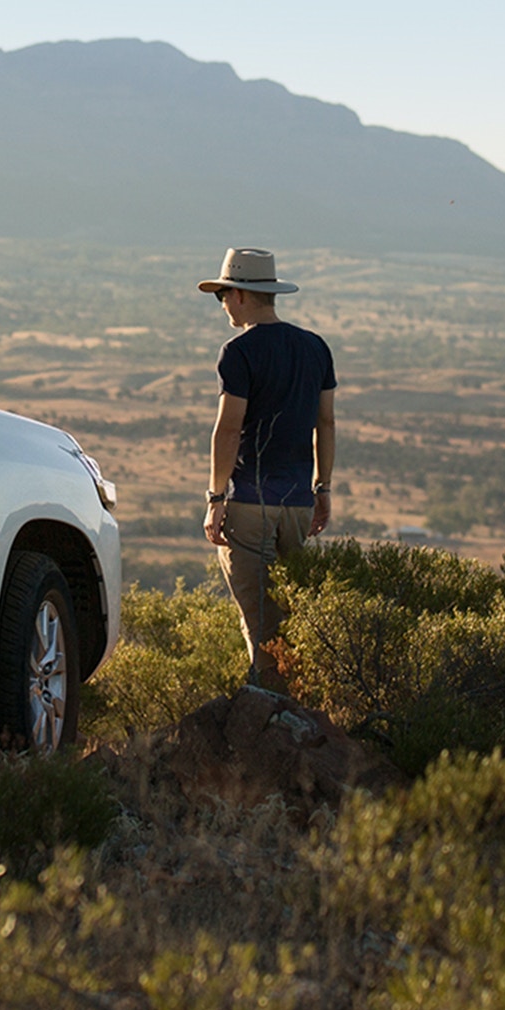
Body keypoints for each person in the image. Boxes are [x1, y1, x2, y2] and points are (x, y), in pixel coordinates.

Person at [197, 247, 335, 689]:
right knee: (292, 614)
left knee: (258, 621)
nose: (222, 306)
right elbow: (325, 422)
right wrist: (323, 489)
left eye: (222, 296)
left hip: (249, 503)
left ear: (239, 295)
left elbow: (228, 429)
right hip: (297, 502)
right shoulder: (315, 347)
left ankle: (268, 713)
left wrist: (216, 498)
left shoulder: (238, 352)